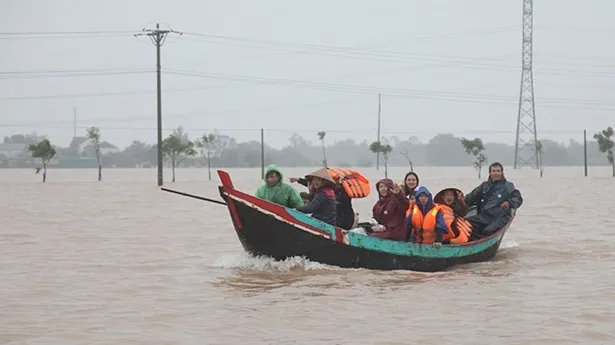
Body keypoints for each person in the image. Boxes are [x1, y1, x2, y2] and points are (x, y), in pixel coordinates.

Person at [464, 162, 523, 240]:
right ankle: (473, 241)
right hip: (484, 216)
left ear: (502, 173)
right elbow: (471, 197)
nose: (496, 173)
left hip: (500, 217)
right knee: (465, 223)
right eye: (494, 171)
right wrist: (459, 199)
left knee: (488, 231)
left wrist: (509, 203)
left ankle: (482, 241)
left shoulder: (508, 186)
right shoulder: (484, 185)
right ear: (490, 173)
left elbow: (517, 198)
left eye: (498, 171)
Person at [290, 174, 355, 230]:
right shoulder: (329, 190)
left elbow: (311, 208)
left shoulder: (324, 193)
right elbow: (311, 185)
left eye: (319, 180)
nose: (316, 182)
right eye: (314, 180)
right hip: (330, 221)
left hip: (327, 223)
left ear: (324, 182)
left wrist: (295, 209)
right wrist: (299, 180)